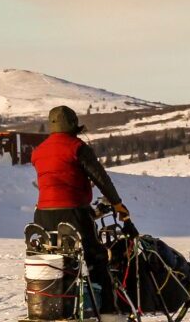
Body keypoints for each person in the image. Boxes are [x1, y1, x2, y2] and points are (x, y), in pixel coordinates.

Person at [31, 105, 129, 311]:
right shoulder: (77, 147)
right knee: (96, 258)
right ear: (74, 124)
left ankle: (56, 305)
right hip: (74, 212)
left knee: (57, 259)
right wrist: (117, 204)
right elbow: (101, 179)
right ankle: (108, 312)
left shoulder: (38, 152)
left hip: (42, 216)